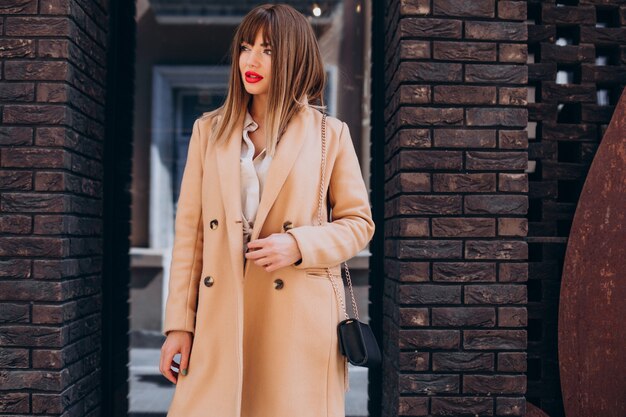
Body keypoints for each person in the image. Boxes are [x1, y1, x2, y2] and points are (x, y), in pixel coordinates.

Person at [159, 4, 375, 417]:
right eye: (245, 47)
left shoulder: (330, 134)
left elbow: (359, 223)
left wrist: (298, 244)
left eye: (268, 50)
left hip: (296, 318)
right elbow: (191, 234)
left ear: (294, 58)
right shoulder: (209, 130)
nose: (250, 60)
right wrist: (179, 326)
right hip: (222, 314)